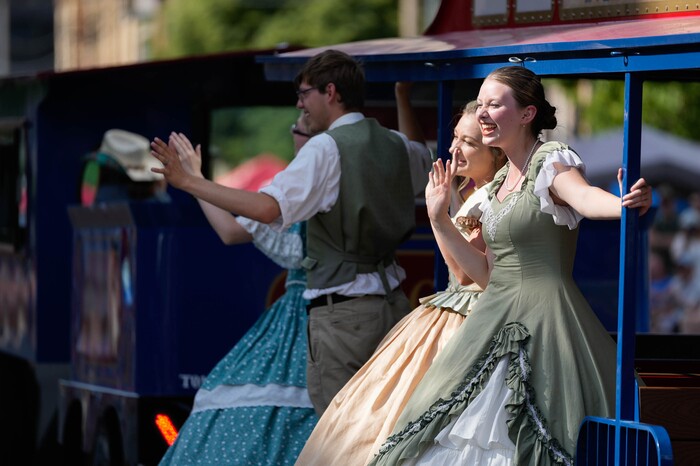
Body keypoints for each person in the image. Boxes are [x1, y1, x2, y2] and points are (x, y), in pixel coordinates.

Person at [370, 65, 652, 466]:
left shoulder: (550, 160)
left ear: (526, 114)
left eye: (494, 105)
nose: (482, 113)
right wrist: (438, 219)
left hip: (544, 321)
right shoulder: (499, 182)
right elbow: (483, 274)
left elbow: (585, 198)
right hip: (491, 317)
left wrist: (623, 204)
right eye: (480, 104)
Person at [150, 49, 432, 416]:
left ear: (330, 92)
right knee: (387, 428)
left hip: (343, 316)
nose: (300, 105)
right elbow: (419, 155)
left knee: (340, 435)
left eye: (303, 94)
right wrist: (402, 97)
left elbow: (267, 208)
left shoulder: (326, 148)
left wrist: (190, 181)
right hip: (393, 306)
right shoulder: (392, 143)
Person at [294, 88, 507, 466]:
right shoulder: (471, 193)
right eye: (455, 137)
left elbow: (465, 272)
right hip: (450, 312)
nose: (455, 148)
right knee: (376, 413)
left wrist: (438, 216)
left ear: (496, 151)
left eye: (469, 142)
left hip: (472, 319)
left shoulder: (491, 197)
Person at [157, 113, 318, 466]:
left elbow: (232, 231)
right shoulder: (294, 186)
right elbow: (231, 232)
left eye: (300, 129)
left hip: (317, 316)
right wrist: (195, 179)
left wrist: (193, 180)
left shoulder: (314, 183)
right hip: (302, 316)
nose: (295, 135)